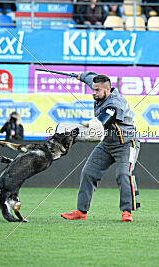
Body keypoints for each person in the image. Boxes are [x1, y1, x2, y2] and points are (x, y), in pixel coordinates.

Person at [60, 72, 140, 222]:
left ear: (107, 90)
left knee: (123, 174)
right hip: (107, 144)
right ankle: (81, 211)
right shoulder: (99, 87)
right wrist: (80, 75)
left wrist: (94, 123)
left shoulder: (115, 103)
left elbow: (105, 118)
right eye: (93, 89)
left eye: (97, 90)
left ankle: (127, 211)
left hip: (126, 144)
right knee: (88, 172)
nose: (94, 93)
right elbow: (90, 78)